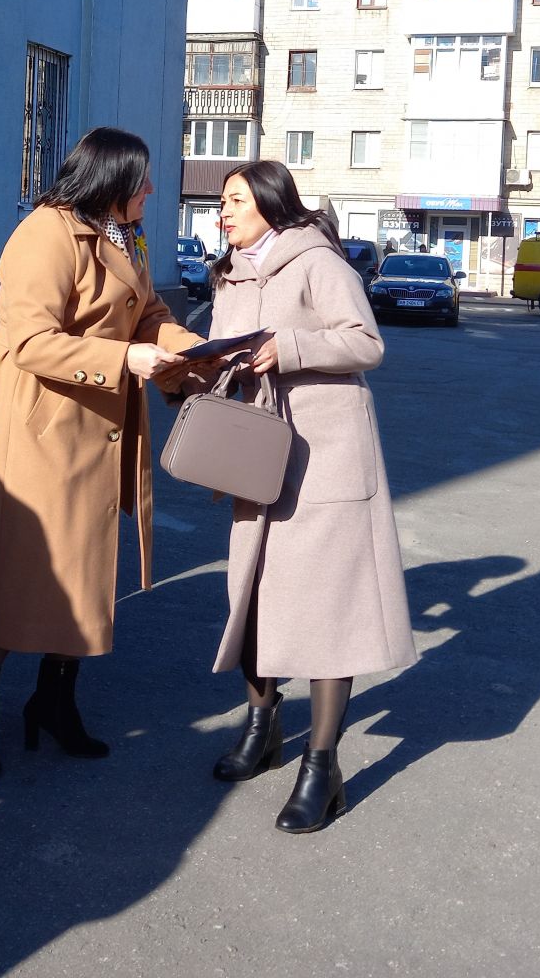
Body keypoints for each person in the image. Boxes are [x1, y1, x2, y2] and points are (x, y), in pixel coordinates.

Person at [0, 127, 200, 777]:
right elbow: (29, 341)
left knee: (84, 578)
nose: (151, 189)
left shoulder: (121, 233)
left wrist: (188, 350)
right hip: (43, 432)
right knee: (25, 578)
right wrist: (126, 359)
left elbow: (147, 311)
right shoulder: (47, 233)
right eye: (141, 179)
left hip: (96, 428)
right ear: (110, 180)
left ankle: (55, 703)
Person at [200, 161, 416, 834]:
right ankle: (262, 728)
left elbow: (366, 344)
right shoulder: (229, 272)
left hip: (325, 457)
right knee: (254, 596)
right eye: (223, 202)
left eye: (235, 200)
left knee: (327, 609)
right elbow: (225, 349)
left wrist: (286, 347)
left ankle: (321, 769)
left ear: (269, 204)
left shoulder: (317, 260)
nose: (224, 212)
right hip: (257, 450)